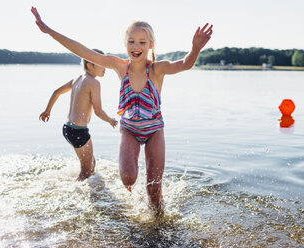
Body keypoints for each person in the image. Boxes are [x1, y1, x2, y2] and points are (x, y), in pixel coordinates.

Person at [32, 6, 213, 213]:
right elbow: (83, 51)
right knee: (128, 176)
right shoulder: (119, 66)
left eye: (142, 42)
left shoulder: (157, 69)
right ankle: (133, 188)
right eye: (131, 41)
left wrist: (196, 48)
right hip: (129, 130)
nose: (136, 46)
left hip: (155, 131)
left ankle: (158, 222)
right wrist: (50, 31)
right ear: (125, 43)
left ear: (150, 45)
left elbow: (184, 64)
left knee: (154, 189)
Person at [39, 48, 118, 181]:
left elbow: (56, 92)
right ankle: (74, 194)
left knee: (91, 164)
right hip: (78, 131)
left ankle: (91, 189)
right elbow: (98, 111)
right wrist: (110, 120)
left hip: (67, 128)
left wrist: (47, 111)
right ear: (90, 65)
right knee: (86, 172)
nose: (105, 66)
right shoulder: (94, 83)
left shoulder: (77, 79)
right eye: (101, 63)